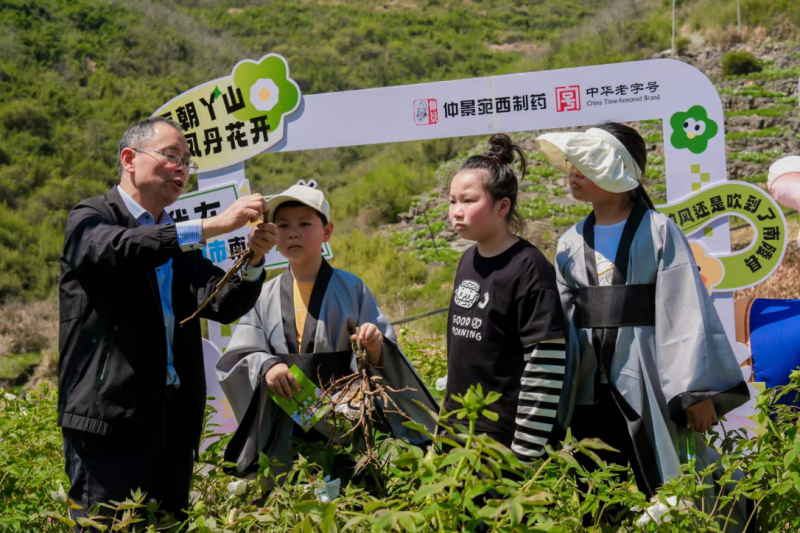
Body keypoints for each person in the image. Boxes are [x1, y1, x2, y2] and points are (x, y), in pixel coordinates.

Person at [58, 117, 275, 527]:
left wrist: (253, 260)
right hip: (107, 423)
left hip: (171, 424)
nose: (181, 168)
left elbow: (221, 303)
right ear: (129, 159)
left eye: (187, 162)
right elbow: (120, 251)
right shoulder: (90, 219)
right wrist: (212, 226)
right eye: (171, 156)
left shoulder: (175, 241)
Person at [536, 122, 749, 520]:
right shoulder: (569, 242)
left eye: (586, 163)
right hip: (589, 392)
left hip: (650, 381)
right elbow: (562, 324)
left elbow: (685, 312)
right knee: (599, 494)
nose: (573, 171)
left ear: (619, 172)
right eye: (573, 163)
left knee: (672, 486)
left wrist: (696, 390)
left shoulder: (658, 231)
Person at [217, 184, 438, 478]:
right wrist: (268, 366)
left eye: (305, 223)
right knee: (290, 497)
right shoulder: (262, 294)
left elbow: (382, 355)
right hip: (284, 420)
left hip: (344, 416)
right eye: (283, 225)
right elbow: (241, 354)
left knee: (350, 491)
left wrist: (373, 344)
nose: (293, 232)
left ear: (328, 231)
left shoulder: (352, 288)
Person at [443, 133, 568, 460]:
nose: (457, 211)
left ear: (503, 206)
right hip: (457, 433)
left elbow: (546, 365)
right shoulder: (468, 259)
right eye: (452, 200)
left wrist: (525, 453)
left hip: (503, 446)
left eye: (469, 201)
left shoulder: (530, 269)